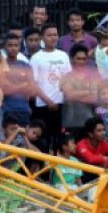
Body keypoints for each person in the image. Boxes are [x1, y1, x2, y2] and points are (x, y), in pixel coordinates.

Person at [29, 22, 71, 152]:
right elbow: (33, 84)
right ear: (42, 38)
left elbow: (68, 77)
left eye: (55, 34)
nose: (53, 38)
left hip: (61, 104)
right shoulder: (36, 58)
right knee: (44, 140)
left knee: (59, 139)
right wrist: (48, 101)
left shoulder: (63, 55)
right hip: (43, 105)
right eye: (49, 35)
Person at [60, 44, 99, 139]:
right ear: (72, 59)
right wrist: (87, 92)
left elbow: (94, 98)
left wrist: (76, 93)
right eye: (78, 59)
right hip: (70, 122)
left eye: (84, 59)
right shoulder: (66, 77)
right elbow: (69, 95)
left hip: (88, 122)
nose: (81, 61)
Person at [1, 32, 36, 126]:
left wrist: (13, 87)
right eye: (10, 45)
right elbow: (4, 90)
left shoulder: (26, 65)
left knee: (24, 138)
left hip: (24, 109)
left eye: (16, 45)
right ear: (4, 47)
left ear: (20, 47)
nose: (13, 48)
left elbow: (31, 89)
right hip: (6, 110)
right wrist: (23, 85)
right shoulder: (0, 66)